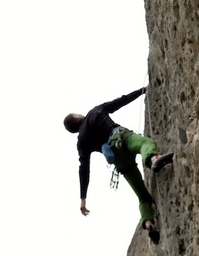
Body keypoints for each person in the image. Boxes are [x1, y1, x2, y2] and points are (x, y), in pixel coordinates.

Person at [64, 87, 173, 244]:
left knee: (142, 196)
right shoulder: (95, 111)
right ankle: (153, 159)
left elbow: (84, 168)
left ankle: (148, 222)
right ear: (75, 116)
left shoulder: (81, 141)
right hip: (121, 138)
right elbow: (120, 101)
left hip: (118, 161)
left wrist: (83, 198)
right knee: (145, 143)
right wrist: (142, 91)